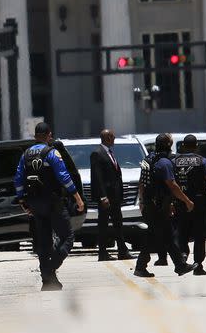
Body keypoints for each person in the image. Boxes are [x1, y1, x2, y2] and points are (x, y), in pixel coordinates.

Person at [14, 123, 85, 291]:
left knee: (44, 242)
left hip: (35, 203)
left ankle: (48, 281)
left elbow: (18, 179)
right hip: (53, 202)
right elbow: (64, 177)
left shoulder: (25, 155)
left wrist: (22, 201)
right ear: (48, 135)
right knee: (67, 237)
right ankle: (51, 267)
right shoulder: (52, 152)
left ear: (35, 136)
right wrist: (78, 198)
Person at [134, 134, 196, 278]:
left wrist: (142, 201)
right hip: (158, 206)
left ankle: (143, 266)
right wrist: (187, 201)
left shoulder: (148, 159)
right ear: (168, 145)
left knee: (160, 235)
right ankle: (178, 265)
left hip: (152, 204)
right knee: (164, 236)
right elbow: (172, 185)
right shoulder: (164, 163)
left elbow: (142, 183)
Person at [174, 135, 206, 276]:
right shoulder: (202, 161)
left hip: (181, 202)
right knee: (199, 235)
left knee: (182, 232)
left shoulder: (175, 161)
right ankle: (198, 266)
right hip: (199, 203)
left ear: (183, 146)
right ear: (196, 146)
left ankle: (183, 256)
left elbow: (171, 182)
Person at [91, 129, 132, 261]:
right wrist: (103, 196)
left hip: (115, 196)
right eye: (113, 136)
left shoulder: (110, 153)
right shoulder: (97, 153)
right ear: (108, 138)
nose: (114, 138)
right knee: (103, 225)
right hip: (106, 197)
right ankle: (102, 253)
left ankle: (122, 251)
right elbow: (97, 177)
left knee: (118, 224)